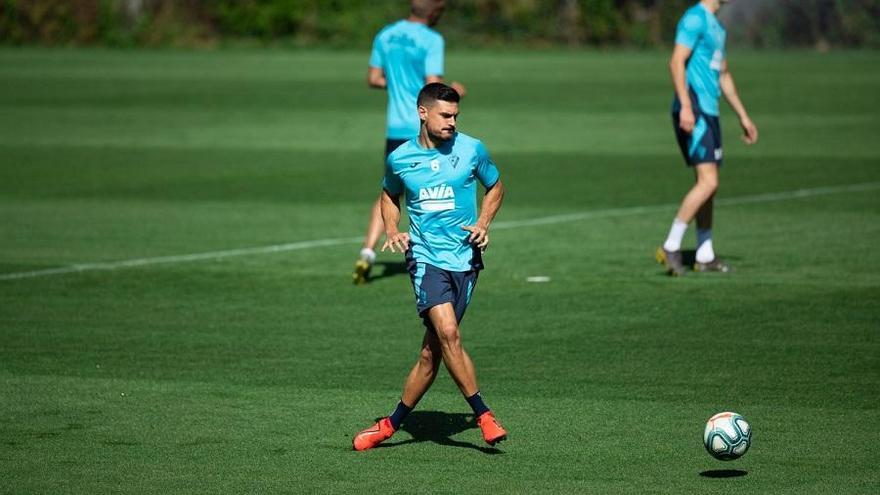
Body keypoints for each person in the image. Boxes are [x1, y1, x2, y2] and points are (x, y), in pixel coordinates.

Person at [352, 83, 506, 451]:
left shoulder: (472, 149)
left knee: (430, 354)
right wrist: (391, 228)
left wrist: (484, 223)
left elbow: (496, 186)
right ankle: (485, 414)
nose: (452, 122)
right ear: (423, 113)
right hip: (425, 259)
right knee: (449, 333)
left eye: (456, 116)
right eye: (445, 115)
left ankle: (390, 424)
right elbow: (389, 194)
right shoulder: (401, 158)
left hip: (466, 260)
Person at [353, 0, 466, 284]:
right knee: (438, 188)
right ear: (434, 11)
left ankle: (367, 252)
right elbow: (433, 87)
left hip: (394, 127)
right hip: (422, 127)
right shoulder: (431, 39)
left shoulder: (386, 34)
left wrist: (399, 84)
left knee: (390, 192)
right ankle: (437, 255)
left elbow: (373, 78)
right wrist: (456, 92)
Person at [656, 0, 758, 276]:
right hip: (695, 108)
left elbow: (723, 73)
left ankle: (704, 253)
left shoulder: (716, 26)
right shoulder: (694, 19)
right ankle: (671, 245)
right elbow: (676, 61)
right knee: (708, 181)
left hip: (709, 112)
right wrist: (686, 106)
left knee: (709, 186)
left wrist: (743, 116)